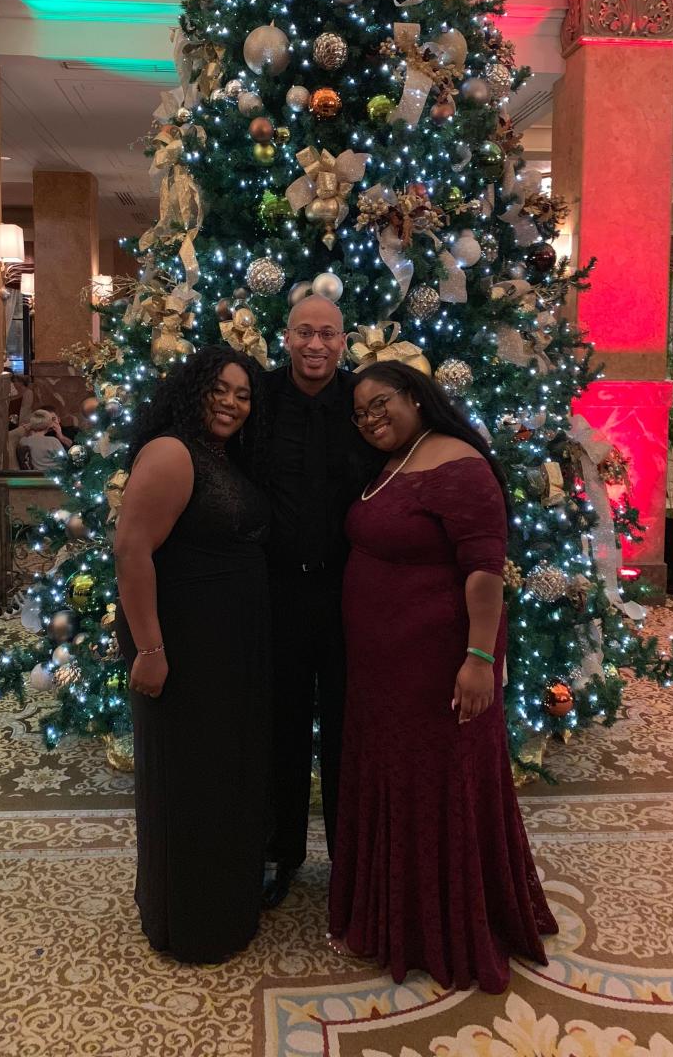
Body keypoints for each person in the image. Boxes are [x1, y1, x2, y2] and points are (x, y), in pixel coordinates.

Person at [328, 360, 558, 993]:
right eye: (361, 411)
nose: (371, 417)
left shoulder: (458, 464)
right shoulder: (402, 460)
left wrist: (479, 658)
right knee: (397, 779)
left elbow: (485, 570)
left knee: (433, 785)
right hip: (382, 668)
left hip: (434, 666)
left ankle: (438, 929)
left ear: (417, 396)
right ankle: (387, 915)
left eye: (382, 402)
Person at [114, 344, 271, 963]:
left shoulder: (220, 457)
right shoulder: (173, 452)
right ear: (195, 389)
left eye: (244, 395)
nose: (232, 403)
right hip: (182, 645)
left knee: (221, 777)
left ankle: (222, 905)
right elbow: (131, 553)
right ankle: (193, 922)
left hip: (225, 648)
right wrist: (150, 648)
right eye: (221, 389)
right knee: (193, 781)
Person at [261, 295, 381, 908]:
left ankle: (349, 860)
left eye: (327, 334)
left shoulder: (366, 402)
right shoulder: (257, 398)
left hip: (346, 593)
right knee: (279, 727)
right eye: (304, 332)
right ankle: (280, 854)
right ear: (285, 337)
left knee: (346, 729)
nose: (315, 344)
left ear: (344, 341)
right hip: (276, 593)